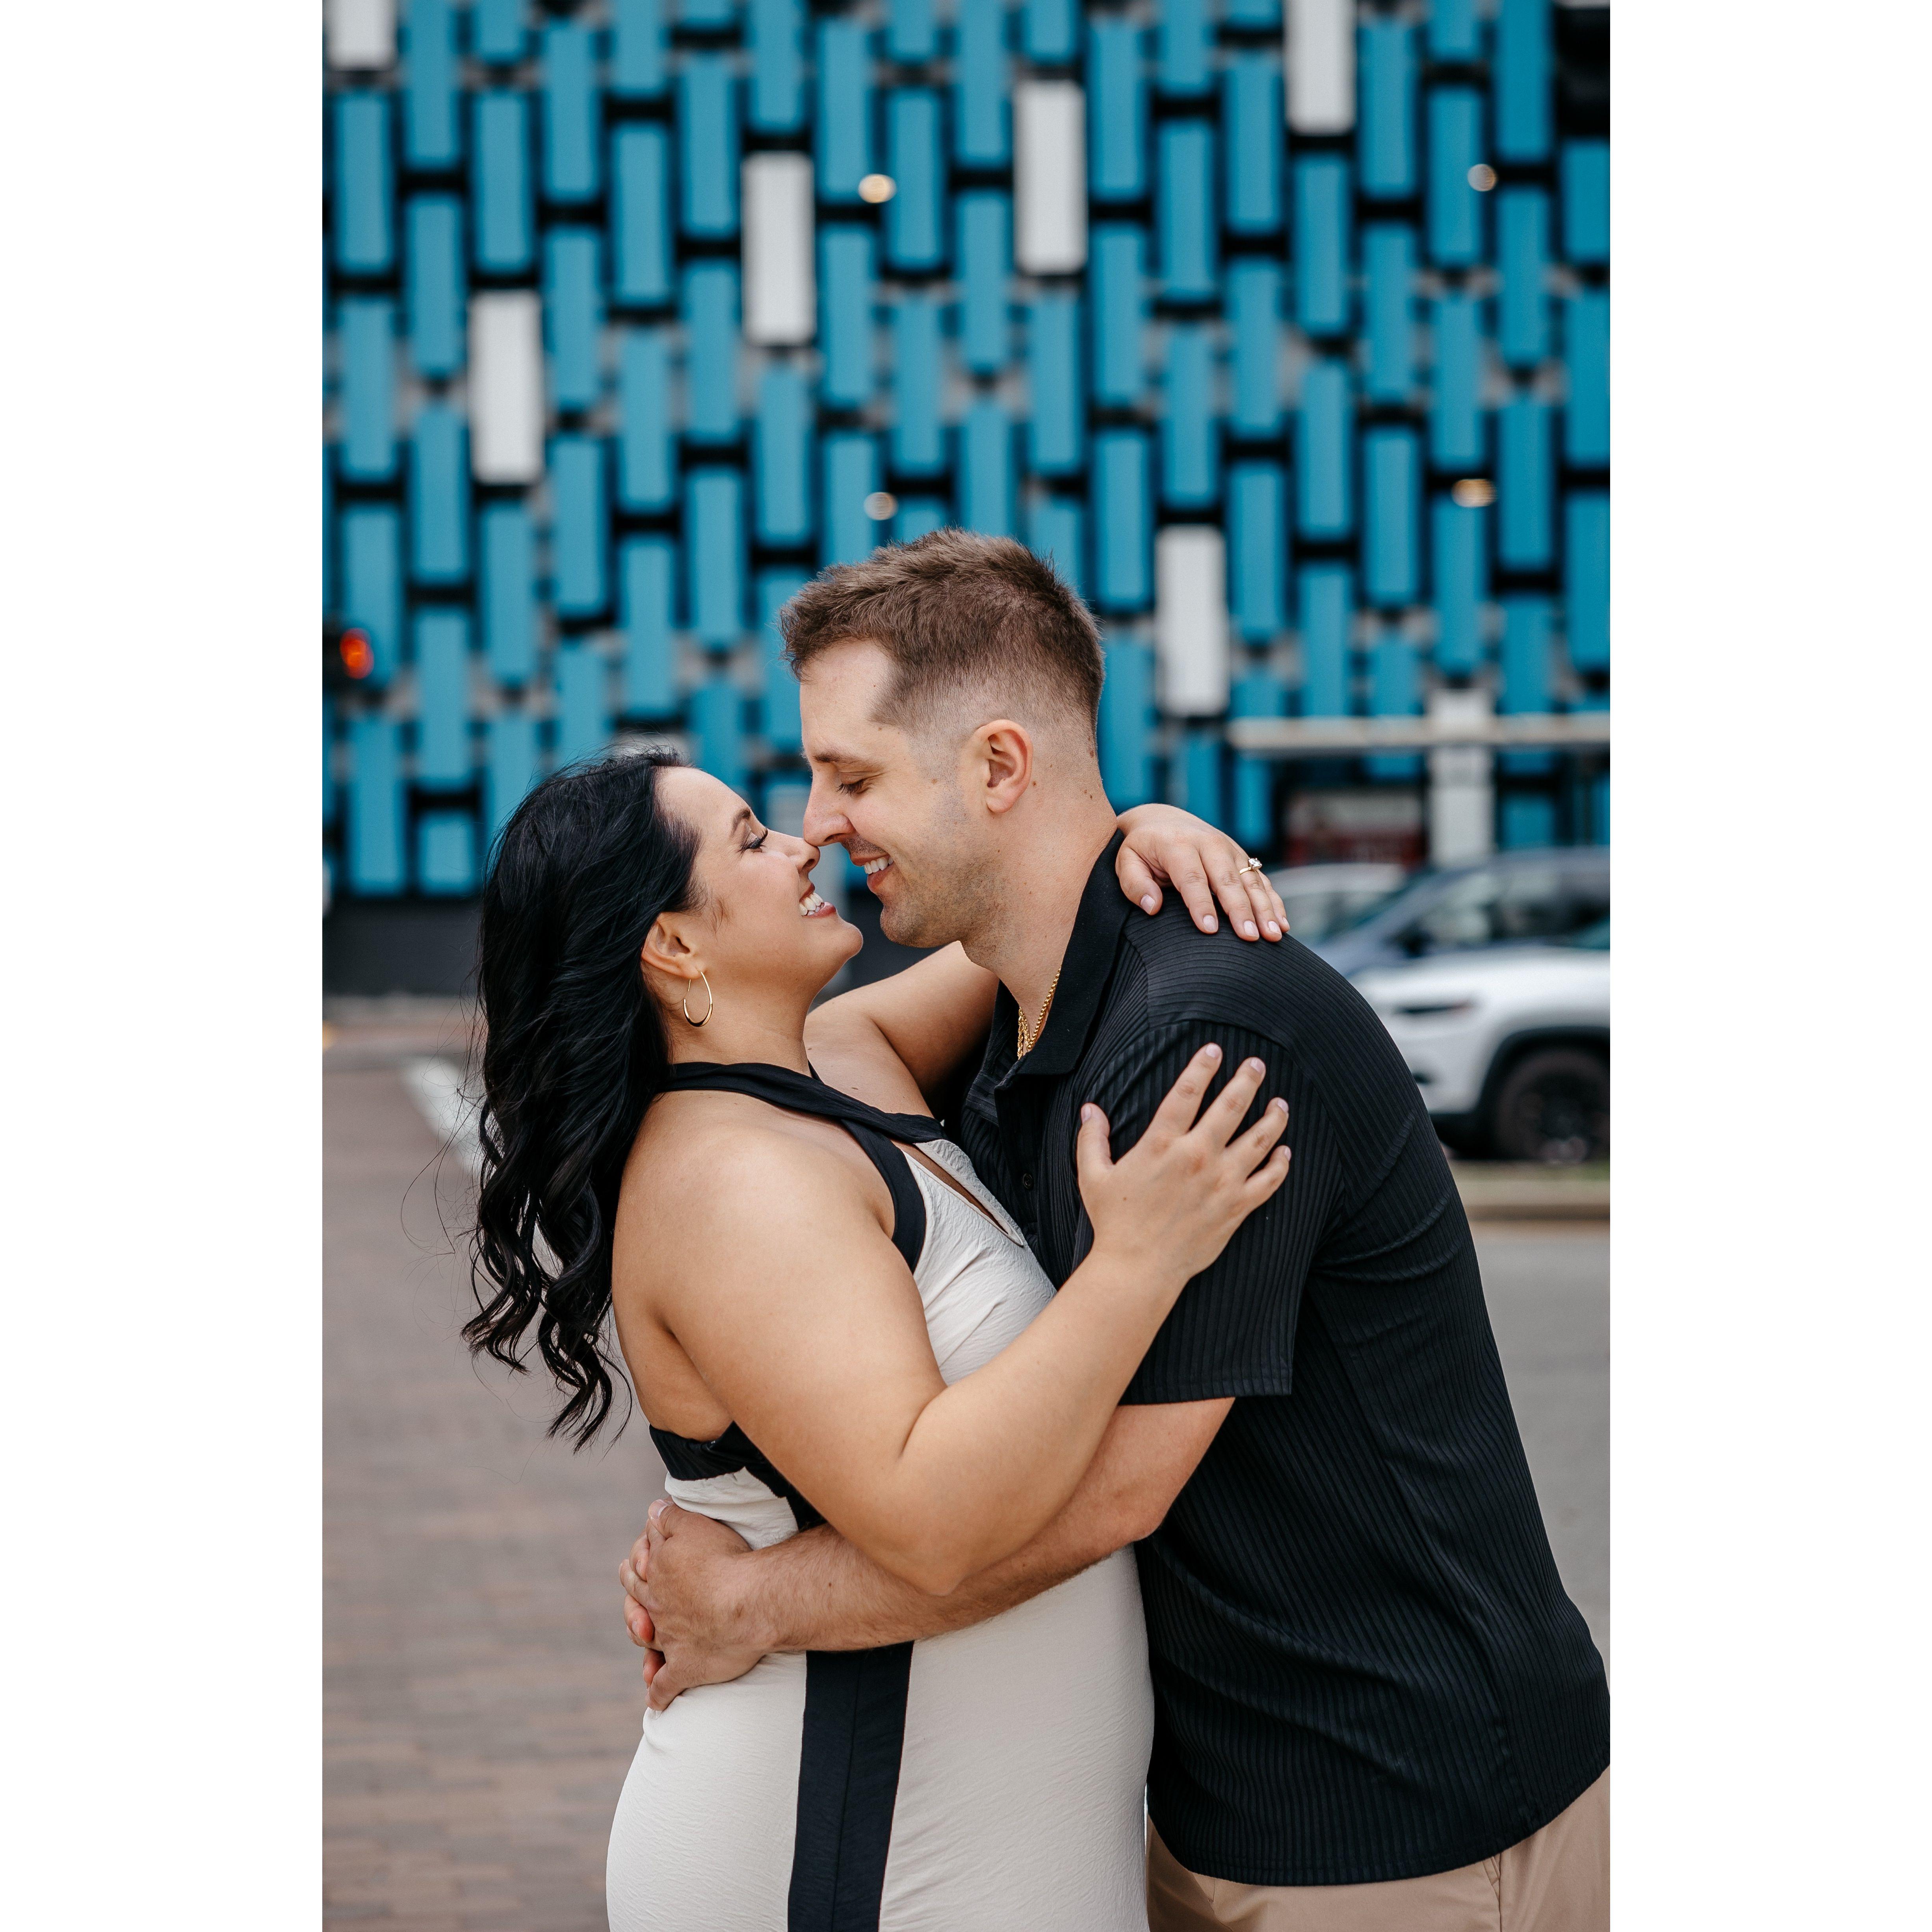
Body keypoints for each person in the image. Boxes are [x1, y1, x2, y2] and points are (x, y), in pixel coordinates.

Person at [621, 530, 1612, 1931]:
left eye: (853, 776)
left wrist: (753, 1603)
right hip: (1227, 1808)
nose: (820, 823)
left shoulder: (1201, 1041)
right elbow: (827, 1065)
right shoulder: (1021, 1011)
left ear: (999, 767)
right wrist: (1128, 824)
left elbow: (1105, 1495)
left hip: (1399, 1821)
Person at [464, 740, 1295, 1932]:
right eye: (750, 840)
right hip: (851, 1846)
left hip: (963, 1827)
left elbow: (1045, 920)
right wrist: (1139, 1262)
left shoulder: (842, 1058)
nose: (803, 841)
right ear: (675, 946)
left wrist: (1135, 831)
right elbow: (931, 1515)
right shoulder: (731, 1183)